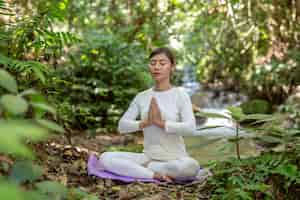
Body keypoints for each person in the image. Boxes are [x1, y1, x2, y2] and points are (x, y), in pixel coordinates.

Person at [98, 47, 200, 182]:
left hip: (175, 159)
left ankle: (148, 168)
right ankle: (153, 175)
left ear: (172, 67)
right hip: (147, 157)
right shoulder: (142, 96)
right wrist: (145, 123)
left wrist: (161, 123)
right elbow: (122, 126)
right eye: (153, 63)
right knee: (105, 158)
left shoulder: (180, 94)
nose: (156, 67)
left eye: (162, 63)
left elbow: (190, 128)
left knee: (191, 167)